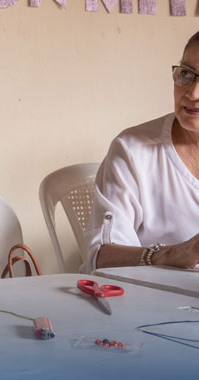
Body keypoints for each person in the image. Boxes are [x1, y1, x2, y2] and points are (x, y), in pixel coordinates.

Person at [83, 31, 199, 271]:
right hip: (150, 291)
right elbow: (101, 256)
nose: (193, 93)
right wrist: (172, 254)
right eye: (186, 74)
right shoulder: (133, 150)